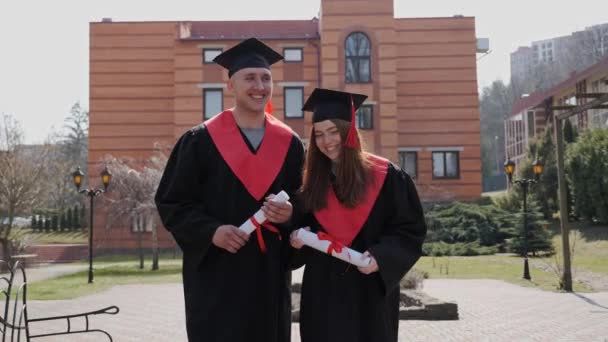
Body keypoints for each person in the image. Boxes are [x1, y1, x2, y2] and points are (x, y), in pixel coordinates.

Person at [155, 38, 305, 342]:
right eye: (249, 77)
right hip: (216, 275)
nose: (259, 85)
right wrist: (211, 231)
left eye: (266, 78)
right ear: (230, 85)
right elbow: (172, 202)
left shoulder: (289, 144)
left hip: (269, 277)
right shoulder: (199, 141)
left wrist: (291, 214)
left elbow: (305, 203)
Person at [290, 88, 427, 342]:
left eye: (333, 131)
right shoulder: (312, 183)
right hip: (323, 293)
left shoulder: (387, 177)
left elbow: (410, 230)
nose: (326, 141)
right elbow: (298, 233)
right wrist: (298, 240)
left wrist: (382, 257)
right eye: (319, 134)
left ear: (349, 131)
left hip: (370, 293)